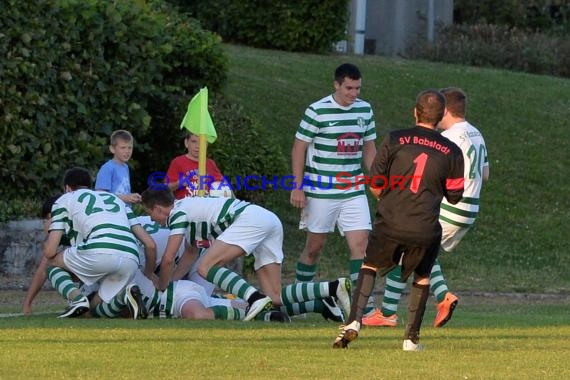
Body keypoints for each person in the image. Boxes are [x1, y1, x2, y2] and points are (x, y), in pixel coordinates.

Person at [332, 89, 465, 351]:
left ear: (415, 112)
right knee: (422, 277)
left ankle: (353, 322)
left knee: (369, 265)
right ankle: (410, 339)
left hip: (390, 221)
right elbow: (455, 196)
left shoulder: (395, 139)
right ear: (440, 118)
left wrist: (390, 202)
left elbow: (376, 182)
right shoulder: (452, 151)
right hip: (425, 227)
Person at [364, 87, 489, 329]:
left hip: (450, 206)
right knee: (417, 250)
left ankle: (397, 310)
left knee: (408, 246)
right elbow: (485, 174)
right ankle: (428, 300)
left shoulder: (449, 139)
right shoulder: (476, 133)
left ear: (445, 112)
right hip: (469, 208)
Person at [140, 188, 352, 322]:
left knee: (206, 268)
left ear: (158, 209)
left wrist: (161, 285)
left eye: (151, 215)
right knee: (275, 297)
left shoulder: (177, 213)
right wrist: (172, 284)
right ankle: (332, 288)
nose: (153, 220)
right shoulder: (188, 211)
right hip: (268, 219)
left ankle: (254, 298)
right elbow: (189, 253)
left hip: (250, 219)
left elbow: (168, 258)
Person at [290, 63, 378, 317]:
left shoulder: (365, 109)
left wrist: (377, 179)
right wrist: (298, 186)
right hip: (321, 191)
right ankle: (301, 297)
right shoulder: (317, 111)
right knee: (315, 246)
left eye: (357, 88)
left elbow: (369, 148)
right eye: (349, 88)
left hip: (353, 189)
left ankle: (362, 304)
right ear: (336, 85)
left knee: (361, 245)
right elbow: (299, 148)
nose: (354, 93)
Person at [44, 167, 157, 319]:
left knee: (51, 263)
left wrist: (49, 232)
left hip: (98, 250)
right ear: (90, 186)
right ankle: (125, 296)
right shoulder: (116, 199)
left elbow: (50, 252)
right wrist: (148, 275)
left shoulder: (64, 199)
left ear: (67, 188)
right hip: (130, 257)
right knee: (91, 311)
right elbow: (149, 244)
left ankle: (76, 298)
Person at [166, 132, 225, 199]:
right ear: (186, 143)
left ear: (206, 145)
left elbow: (224, 186)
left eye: (202, 142)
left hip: (206, 206)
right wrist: (178, 183)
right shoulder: (178, 162)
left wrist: (235, 204)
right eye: (193, 141)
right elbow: (165, 189)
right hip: (185, 207)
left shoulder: (210, 163)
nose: (198, 146)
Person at [95, 129, 141, 205]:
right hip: (111, 213)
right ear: (112, 149)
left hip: (125, 212)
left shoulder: (125, 167)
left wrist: (131, 197)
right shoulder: (107, 168)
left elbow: (123, 192)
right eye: (123, 147)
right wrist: (125, 198)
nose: (127, 151)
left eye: (130, 147)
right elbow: (100, 195)